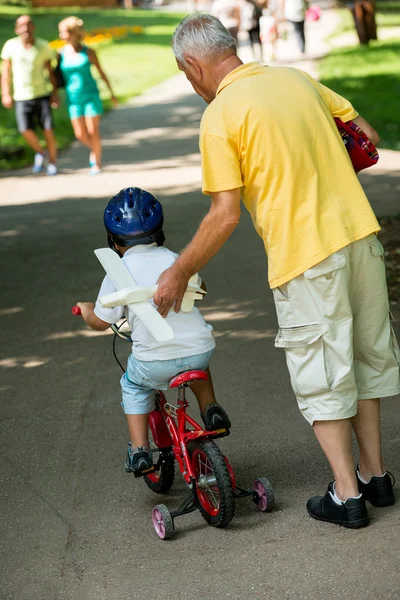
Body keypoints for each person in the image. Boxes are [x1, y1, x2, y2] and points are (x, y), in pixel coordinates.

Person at [153, 14, 400, 528]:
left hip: (308, 257)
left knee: (322, 374)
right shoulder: (296, 79)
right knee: (366, 360)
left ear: (192, 65)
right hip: (360, 237)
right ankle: (377, 478)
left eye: (185, 75)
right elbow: (368, 136)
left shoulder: (221, 115)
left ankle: (347, 497)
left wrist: (178, 272)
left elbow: (224, 215)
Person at [76, 187, 231, 474]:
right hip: (199, 349)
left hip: (154, 362)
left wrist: (87, 310)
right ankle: (211, 409)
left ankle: (140, 451)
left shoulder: (118, 271)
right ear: (159, 231)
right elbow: (201, 290)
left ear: (113, 240)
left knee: (133, 384)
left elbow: (100, 321)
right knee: (195, 359)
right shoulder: (175, 259)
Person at [57, 16, 118, 175]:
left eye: (66, 32)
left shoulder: (88, 52)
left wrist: (112, 94)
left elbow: (101, 73)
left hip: (91, 95)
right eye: (61, 32)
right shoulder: (60, 54)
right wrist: (54, 95)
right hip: (73, 98)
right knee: (80, 134)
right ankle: (95, 149)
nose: (63, 36)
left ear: (75, 33)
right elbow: (55, 77)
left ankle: (96, 163)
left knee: (93, 131)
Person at [1, 15, 59, 175]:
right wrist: (6, 93)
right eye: (21, 25)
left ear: (33, 27)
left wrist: (54, 94)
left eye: (28, 25)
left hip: (42, 94)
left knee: (48, 130)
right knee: (25, 129)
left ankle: (53, 162)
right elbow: (5, 73)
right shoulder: (10, 46)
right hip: (21, 96)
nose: (25, 28)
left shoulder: (43, 46)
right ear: (17, 29)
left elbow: (51, 72)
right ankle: (41, 152)